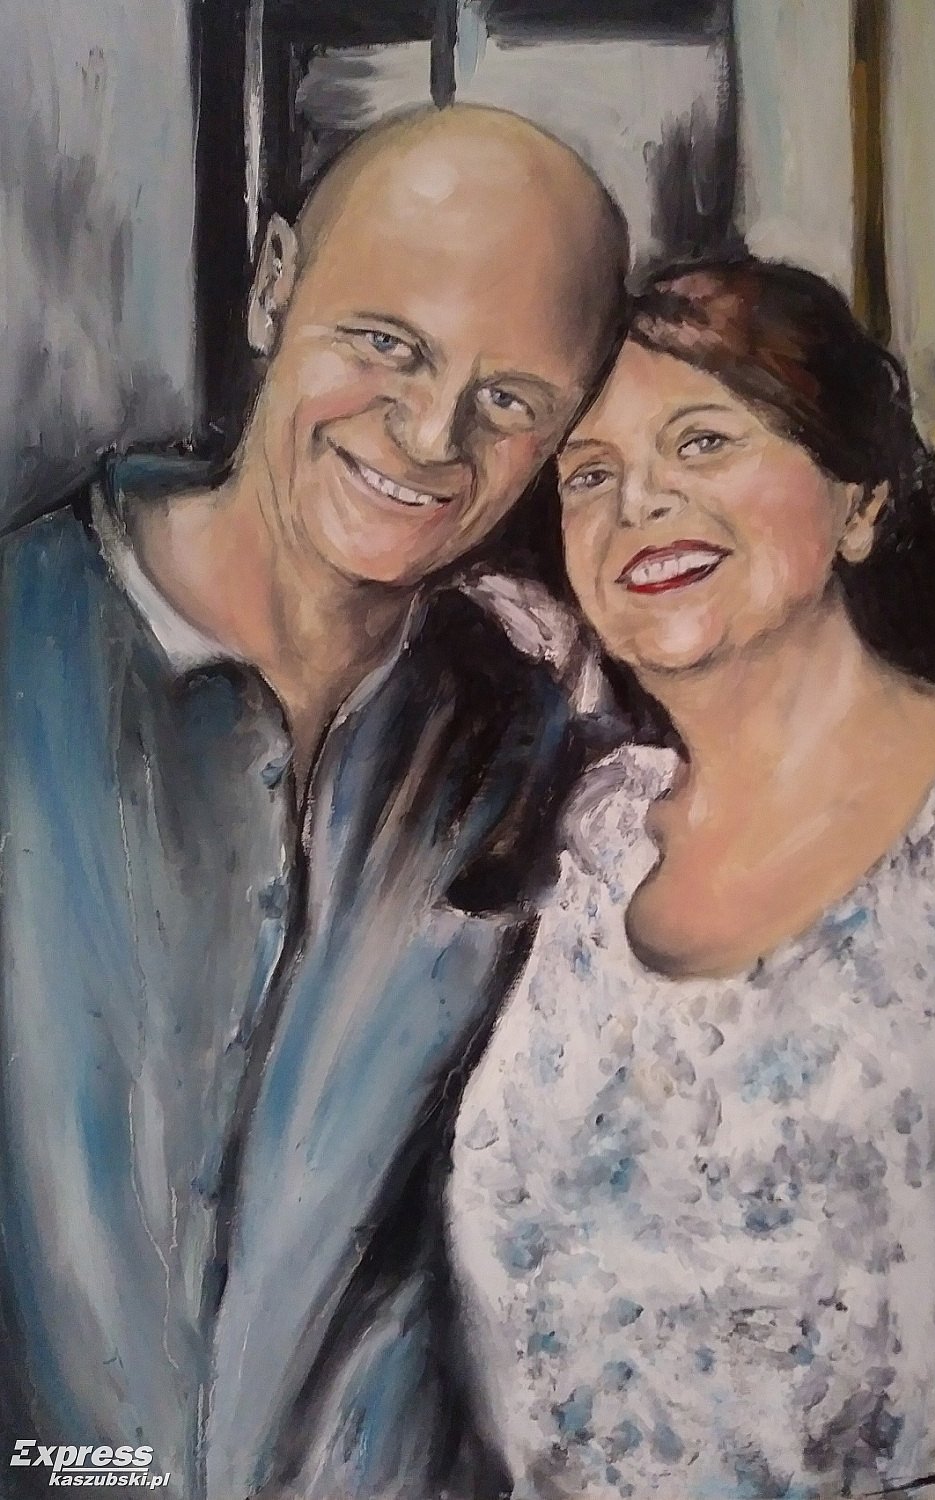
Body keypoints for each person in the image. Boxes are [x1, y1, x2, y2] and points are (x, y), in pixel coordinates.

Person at [0, 104, 628, 1500]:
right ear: (275, 282)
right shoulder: (19, 647)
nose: (430, 435)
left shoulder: (542, 744)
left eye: (510, 399)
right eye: (387, 342)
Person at [447, 258, 935, 1499]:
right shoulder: (579, 839)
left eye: (703, 441)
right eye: (589, 473)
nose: (639, 502)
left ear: (860, 502)